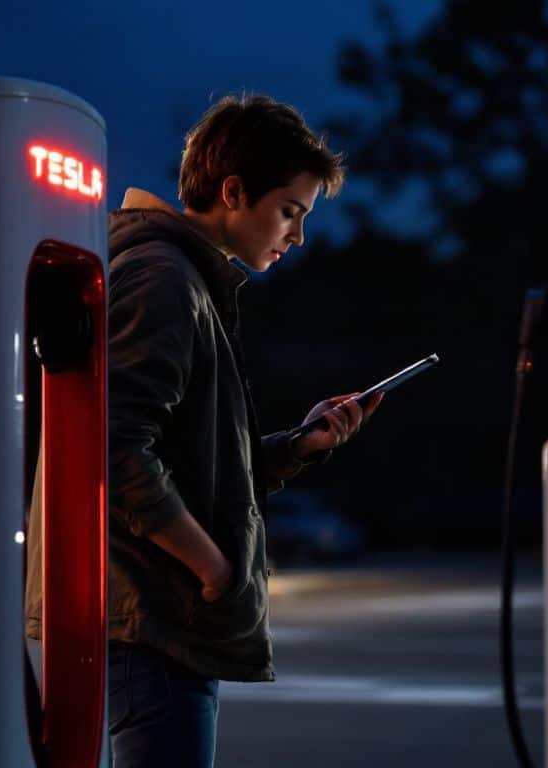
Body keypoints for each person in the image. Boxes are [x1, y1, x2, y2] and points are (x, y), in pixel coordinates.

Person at [101, 93, 380, 766]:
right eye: (291, 211)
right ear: (232, 190)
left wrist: (297, 447)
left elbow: (193, 460)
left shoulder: (187, 280)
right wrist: (214, 568)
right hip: (154, 622)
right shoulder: (162, 277)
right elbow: (111, 445)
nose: (297, 236)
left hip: (160, 621)